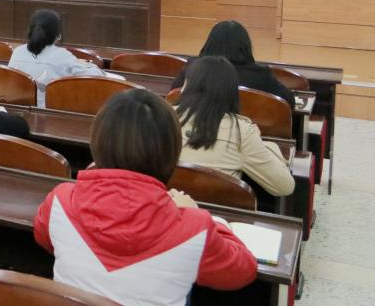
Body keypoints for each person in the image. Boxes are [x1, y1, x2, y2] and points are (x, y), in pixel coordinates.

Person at [34, 90, 257, 305]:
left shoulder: (60, 201)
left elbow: (44, 237)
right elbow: (243, 269)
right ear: (171, 150)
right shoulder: (195, 228)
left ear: (98, 142)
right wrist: (204, 217)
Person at [176, 57, 295, 196]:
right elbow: (285, 187)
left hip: (165, 204)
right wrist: (263, 144)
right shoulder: (241, 132)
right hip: (217, 208)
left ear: (186, 87)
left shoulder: (164, 116)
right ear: (231, 92)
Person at [171, 20, 294, 106]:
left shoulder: (193, 67)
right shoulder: (260, 74)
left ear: (210, 43)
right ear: (245, 46)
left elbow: (173, 95)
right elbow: (289, 101)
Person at [8, 9, 107, 106]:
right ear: (56, 35)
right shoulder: (62, 55)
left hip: (18, 109)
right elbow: (97, 76)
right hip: (49, 112)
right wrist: (86, 64)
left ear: (31, 31)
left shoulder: (17, 52)